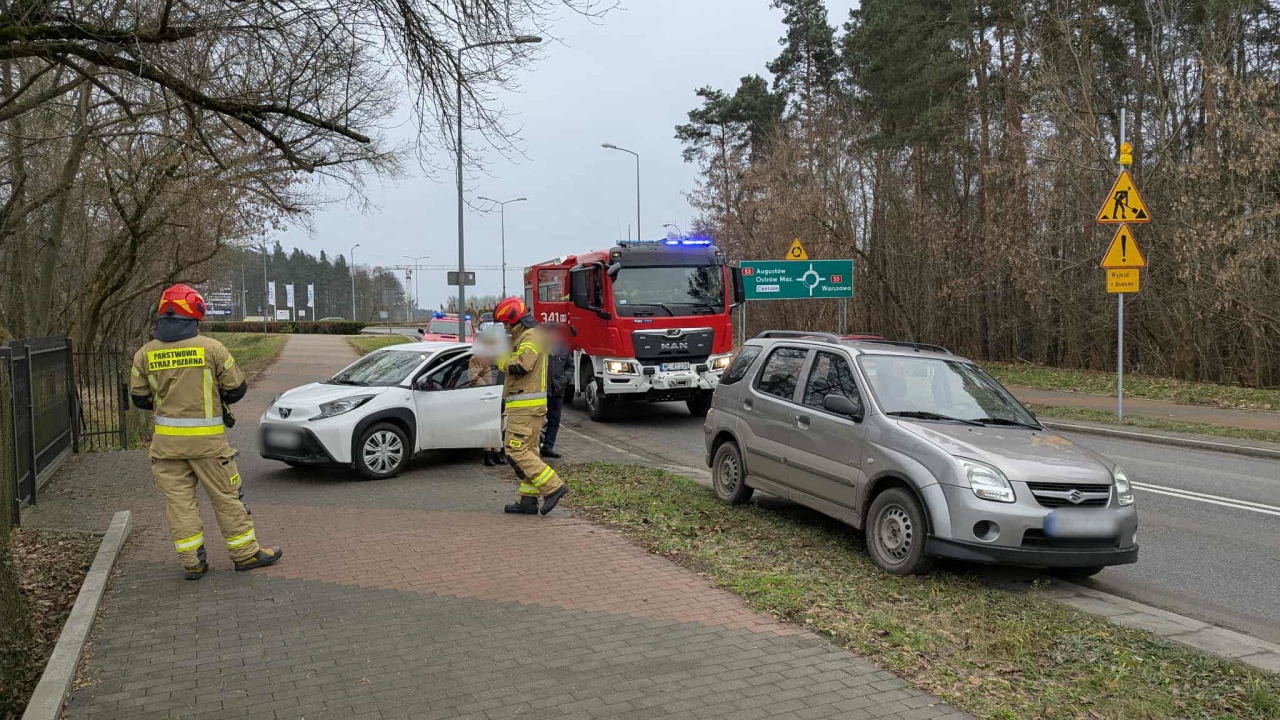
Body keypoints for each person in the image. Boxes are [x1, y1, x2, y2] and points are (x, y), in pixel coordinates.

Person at [129, 284, 282, 580]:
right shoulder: (212, 348)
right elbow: (237, 389)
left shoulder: (144, 354)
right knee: (227, 498)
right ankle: (246, 554)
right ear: (195, 314)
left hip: (166, 449)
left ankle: (193, 564)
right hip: (209, 447)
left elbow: (139, 399)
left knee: (179, 506)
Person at [492, 296, 569, 515]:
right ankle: (527, 500)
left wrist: (500, 360)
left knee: (515, 451)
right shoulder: (530, 335)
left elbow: (523, 365)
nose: (506, 328)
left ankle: (554, 487)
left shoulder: (530, 336)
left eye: (507, 323)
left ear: (516, 320)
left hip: (524, 407)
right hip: (529, 406)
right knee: (529, 452)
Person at [470, 324, 508, 466]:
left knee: (499, 425)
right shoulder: (477, 358)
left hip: (499, 395)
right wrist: (486, 389)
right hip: (486, 395)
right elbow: (473, 376)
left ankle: (497, 452)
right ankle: (488, 454)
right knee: (488, 426)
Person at [540, 326, 571, 459]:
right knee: (538, 421)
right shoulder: (539, 349)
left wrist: (565, 379)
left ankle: (548, 448)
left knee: (554, 421)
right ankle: (535, 447)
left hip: (557, 390)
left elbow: (570, 366)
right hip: (541, 391)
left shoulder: (563, 349)